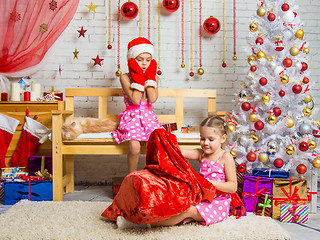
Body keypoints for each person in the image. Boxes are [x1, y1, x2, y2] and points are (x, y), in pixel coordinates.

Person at [116, 115, 238, 228]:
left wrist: (209, 183)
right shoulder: (201, 153)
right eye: (202, 138)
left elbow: (233, 187)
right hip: (201, 197)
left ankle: (143, 225)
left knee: (188, 210)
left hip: (217, 203)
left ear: (223, 138)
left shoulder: (225, 157)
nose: (205, 143)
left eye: (211, 139)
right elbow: (179, 151)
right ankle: (143, 217)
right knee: (175, 204)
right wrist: (164, 138)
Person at [112, 37, 164, 173]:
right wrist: (138, 77)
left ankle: (151, 175)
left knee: (155, 145)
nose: (144, 63)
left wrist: (149, 78)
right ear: (131, 60)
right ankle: (132, 176)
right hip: (132, 117)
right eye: (139, 59)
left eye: (148, 60)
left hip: (148, 118)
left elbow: (152, 99)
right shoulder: (124, 77)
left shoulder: (154, 78)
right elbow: (135, 100)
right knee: (134, 147)